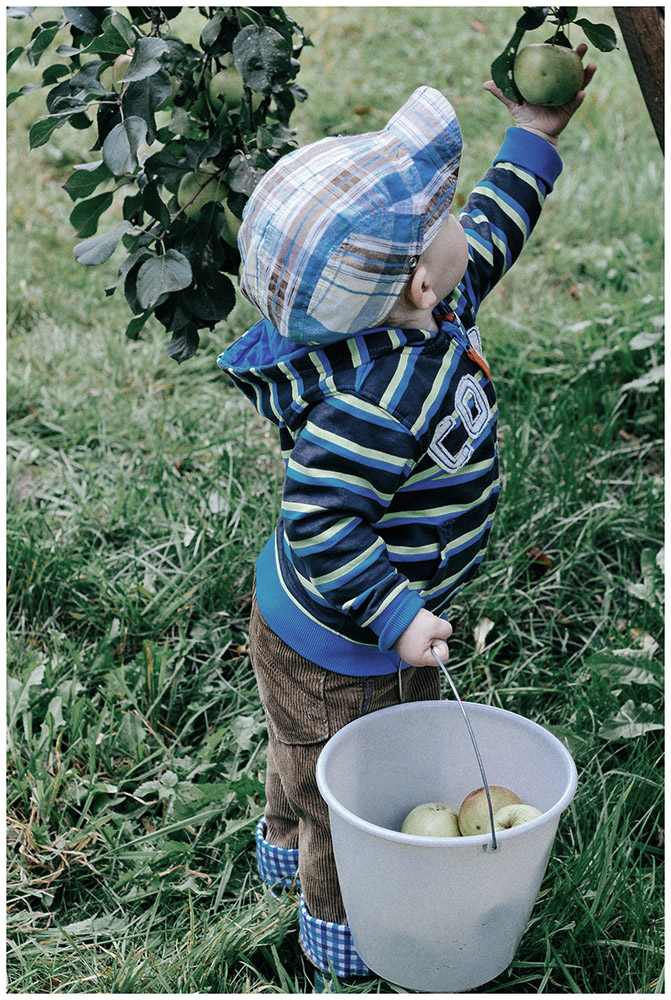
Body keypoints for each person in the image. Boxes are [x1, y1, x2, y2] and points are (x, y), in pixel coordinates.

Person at [218, 47, 595, 987]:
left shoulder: (428, 305)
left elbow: (493, 230)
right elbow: (321, 524)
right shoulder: (372, 401)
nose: (462, 219)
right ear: (419, 283)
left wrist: (533, 140)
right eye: (444, 220)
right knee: (344, 799)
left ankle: (273, 844)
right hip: (339, 643)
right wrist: (397, 617)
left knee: (294, 754)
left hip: (329, 624)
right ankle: (340, 939)